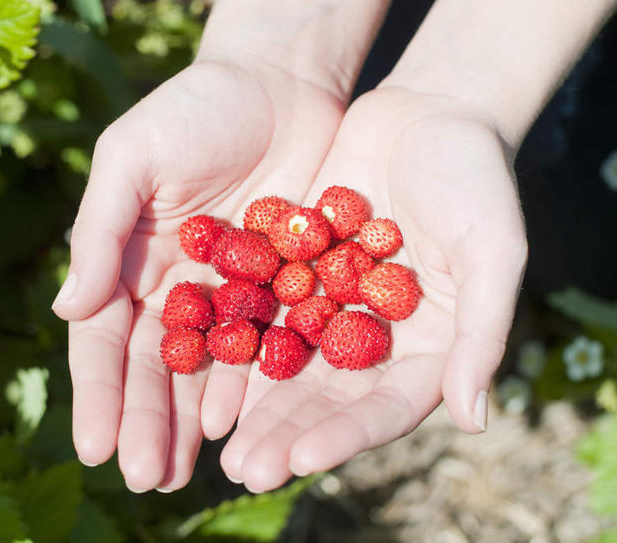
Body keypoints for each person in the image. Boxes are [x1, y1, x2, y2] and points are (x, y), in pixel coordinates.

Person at [52, 0, 617, 494]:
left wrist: (465, 96)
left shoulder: (324, 262)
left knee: (572, 218)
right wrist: (272, 55)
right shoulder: (277, 273)